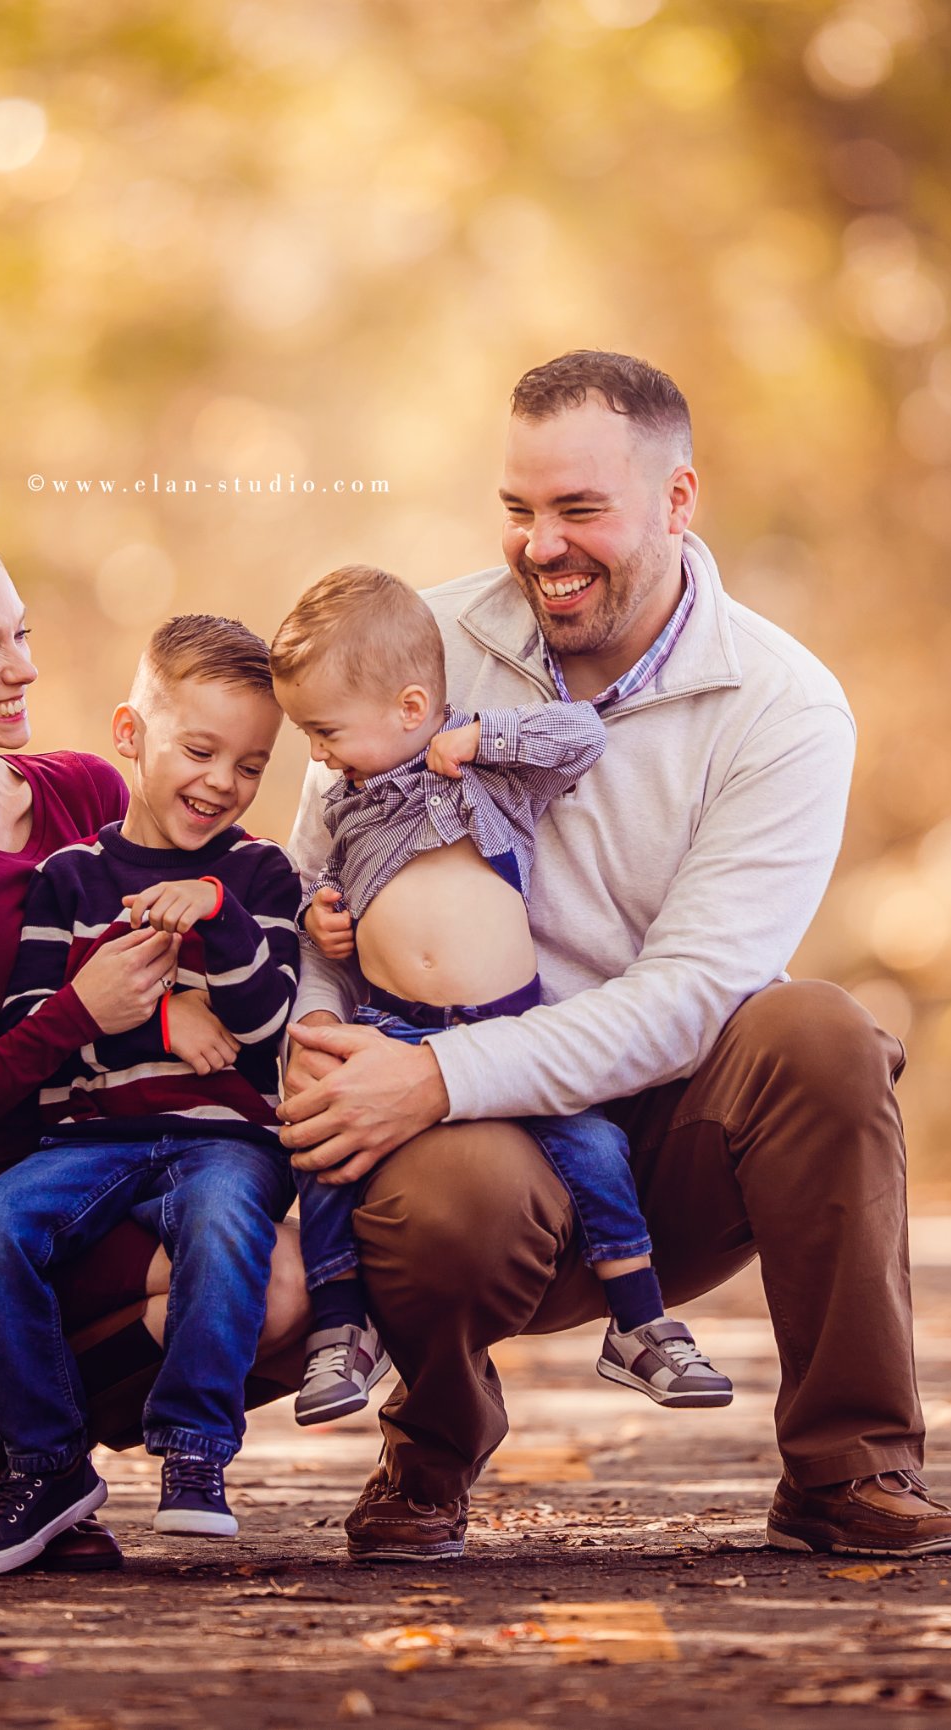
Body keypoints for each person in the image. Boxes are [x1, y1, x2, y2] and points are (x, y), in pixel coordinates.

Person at [276, 351, 951, 1563]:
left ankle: (847, 1465)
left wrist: (447, 1073)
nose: (541, 544)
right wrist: (333, 1049)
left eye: (579, 509)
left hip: (667, 1145)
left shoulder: (781, 705)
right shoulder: (414, 640)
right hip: (472, 1149)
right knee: (449, 1207)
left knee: (820, 1034)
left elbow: (697, 994)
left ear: (678, 499)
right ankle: (430, 1445)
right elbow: (314, 888)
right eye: (518, 509)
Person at [0, 521, 307, 1574]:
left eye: (18, 634)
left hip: (121, 1169)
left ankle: (9, 1458)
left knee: (310, 1270)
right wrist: (71, 1018)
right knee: (277, 1291)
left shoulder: (80, 791)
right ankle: (15, 1444)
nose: (22, 666)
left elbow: (220, 900)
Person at [267, 563, 730, 1437]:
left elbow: (580, 738)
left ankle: (640, 1321)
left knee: (592, 1147)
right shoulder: (343, 803)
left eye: (325, 731)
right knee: (325, 1149)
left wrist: (482, 736)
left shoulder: (486, 774)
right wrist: (318, 917)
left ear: (410, 709)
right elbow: (307, 884)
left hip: (510, 1027)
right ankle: (340, 1326)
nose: (316, 754)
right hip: (393, 1027)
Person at [0, 616, 302, 1576]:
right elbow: (31, 1026)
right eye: (200, 749)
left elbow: (270, 1030)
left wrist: (218, 923)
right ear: (131, 734)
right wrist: (156, 1023)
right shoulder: (69, 879)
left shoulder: (259, 872)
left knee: (228, 1219)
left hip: (226, 1140)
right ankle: (47, 1462)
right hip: (88, 1142)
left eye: (250, 765)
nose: (222, 782)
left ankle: (194, 1453)